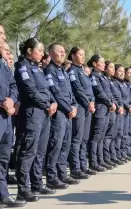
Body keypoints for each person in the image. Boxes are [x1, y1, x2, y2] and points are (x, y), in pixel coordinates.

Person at [14, 38, 57, 203]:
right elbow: (30, 91)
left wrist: (53, 102)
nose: (42, 53)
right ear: (30, 51)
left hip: (44, 112)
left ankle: (36, 184)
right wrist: (47, 103)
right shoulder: (23, 67)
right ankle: (23, 189)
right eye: (39, 50)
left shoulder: (37, 69)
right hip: (32, 113)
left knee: (40, 151)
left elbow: (46, 89)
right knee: (28, 151)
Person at [45, 43, 79, 189]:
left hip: (68, 112)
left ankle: (62, 174)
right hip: (60, 113)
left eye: (64, 51)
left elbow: (70, 93)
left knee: (65, 144)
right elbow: (55, 91)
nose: (63, 54)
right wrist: (67, 108)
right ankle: (52, 177)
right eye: (60, 51)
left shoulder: (63, 71)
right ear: (51, 54)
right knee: (56, 144)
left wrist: (74, 106)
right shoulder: (50, 70)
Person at [0, 35, 27, 207]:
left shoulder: (3, 64)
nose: (3, 37)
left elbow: (12, 85)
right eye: (0, 34)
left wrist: (11, 99)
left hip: (6, 116)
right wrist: (2, 100)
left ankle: (3, 195)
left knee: (3, 158)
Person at [68, 47, 96, 179]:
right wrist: (87, 102)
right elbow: (78, 90)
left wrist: (92, 102)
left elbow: (89, 89)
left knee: (84, 138)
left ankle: (83, 166)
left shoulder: (83, 71)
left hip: (88, 108)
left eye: (84, 54)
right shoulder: (73, 71)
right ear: (73, 56)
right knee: (77, 139)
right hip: (80, 107)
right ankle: (75, 168)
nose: (83, 56)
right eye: (80, 54)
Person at [88, 54, 115, 172]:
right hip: (100, 108)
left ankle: (101, 160)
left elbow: (108, 92)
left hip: (106, 108)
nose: (104, 64)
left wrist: (111, 103)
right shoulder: (94, 77)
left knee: (102, 136)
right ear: (94, 64)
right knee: (97, 136)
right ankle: (94, 162)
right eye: (102, 62)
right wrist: (109, 103)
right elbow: (99, 92)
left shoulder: (102, 77)